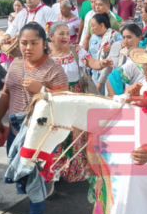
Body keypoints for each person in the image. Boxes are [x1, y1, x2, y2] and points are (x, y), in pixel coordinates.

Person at [0, 23, 68, 214]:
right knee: (21, 171)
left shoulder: (54, 69)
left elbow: (64, 102)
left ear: (44, 43)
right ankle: (42, 190)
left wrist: (42, 90)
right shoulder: (16, 64)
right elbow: (7, 92)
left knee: (35, 176)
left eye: (34, 43)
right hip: (16, 130)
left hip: (41, 132)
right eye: (24, 43)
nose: (28, 48)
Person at [47, 22, 109, 183]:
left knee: (76, 133)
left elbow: (92, 62)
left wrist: (101, 64)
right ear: (51, 36)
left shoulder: (76, 51)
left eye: (67, 33)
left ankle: (77, 168)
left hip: (75, 99)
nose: (66, 37)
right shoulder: (44, 53)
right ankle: (54, 168)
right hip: (54, 99)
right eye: (61, 33)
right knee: (56, 132)